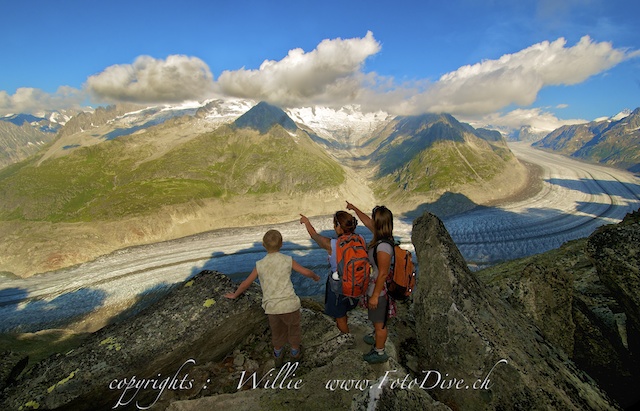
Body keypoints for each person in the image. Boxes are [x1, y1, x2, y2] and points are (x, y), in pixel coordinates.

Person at [224, 229, 320, 366]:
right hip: (290, 305)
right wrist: (315, 276)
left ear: (263, 245)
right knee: (294, 329)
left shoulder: (260, 264)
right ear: (282, 244)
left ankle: (278, 354)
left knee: (277, 332)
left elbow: (245, 283)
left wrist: (234, 295)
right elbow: (306, 272)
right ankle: (295, 353)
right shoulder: (288, 260)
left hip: (272, 308)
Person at [299, 211, 362, 334]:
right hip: (356, 282)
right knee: (345, 310)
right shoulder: (361, 239)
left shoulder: (333, 244)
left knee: (340, 317)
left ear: (339, 227)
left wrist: (306, 222)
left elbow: (314, 235)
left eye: (334, 224)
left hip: (338, 286)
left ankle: (346, 341)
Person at [346, 201, 394, 364]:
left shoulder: (383, 247)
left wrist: (374, 296)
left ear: (378, 223)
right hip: (375, 288)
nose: (370, 221)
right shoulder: (381, 237)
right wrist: (354, 208)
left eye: (374, 219)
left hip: (379, 291)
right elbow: (366, 221)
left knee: (380, 323)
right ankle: (375, 337)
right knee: (376, 318)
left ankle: (379, 352)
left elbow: (383, 274)